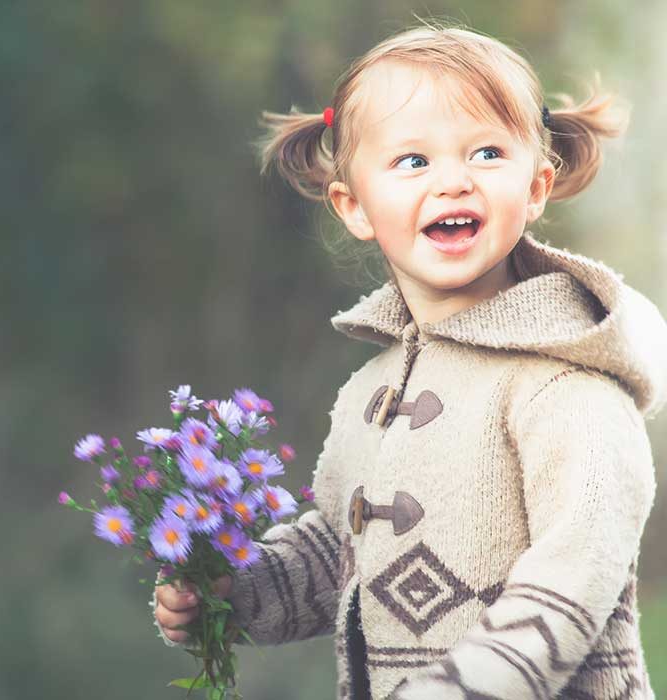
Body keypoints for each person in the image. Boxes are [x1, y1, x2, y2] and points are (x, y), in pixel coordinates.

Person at [152, 19, 666, 699]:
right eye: (414, 161)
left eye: (486, 153)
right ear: (354, 206)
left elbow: (576, 575)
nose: (453, 181)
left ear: (537, 186)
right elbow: (339, 553)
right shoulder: (372, 391)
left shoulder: (566, 385)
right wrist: (235, 592)